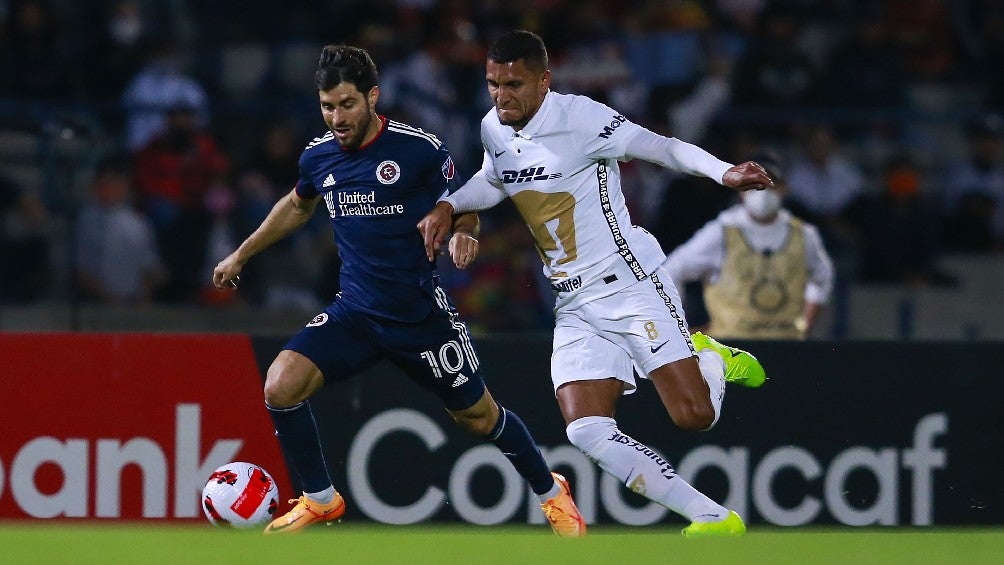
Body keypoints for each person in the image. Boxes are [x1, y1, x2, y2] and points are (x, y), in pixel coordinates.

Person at [212, 44, 584, 536]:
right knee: (280, 386)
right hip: (356, 313)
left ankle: (550, 490)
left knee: (479, 417)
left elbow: (465, 199)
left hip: (419, 318)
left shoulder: (418, 149)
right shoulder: (319, 156)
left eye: (347, 104)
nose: (337, 117)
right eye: (327, 106)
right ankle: (321, 499)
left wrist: (464, 230)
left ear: (372, 97)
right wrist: (242, 253)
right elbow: (299, 206)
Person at [419, 30, 772, 537]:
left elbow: (661, 147)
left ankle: (711, 358)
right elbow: (494, 177)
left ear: (544, 80)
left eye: (513, 84)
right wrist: (452, 206)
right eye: (494, 84)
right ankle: (712, 518)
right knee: (585, 429)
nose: (502, 96)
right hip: (573, 300)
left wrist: (724, 174)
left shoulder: (581, 119)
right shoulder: (494, 126)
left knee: (694, 417)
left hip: (629, 284)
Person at [663, 153, 835, 339]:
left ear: (784, 188)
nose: (761, 190)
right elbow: (672, 271)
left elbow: (823, 277)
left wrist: (805, 325)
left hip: (787, 345)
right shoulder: (722, 231)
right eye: (753, 183)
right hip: (733, 348)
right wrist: (678, 328)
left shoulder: (803, 235)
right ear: (740, 190)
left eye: (769, 182)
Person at [75, 155, 165, 304]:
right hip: (94, 304)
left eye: (115, 183)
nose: (110, 189)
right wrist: (107, 297)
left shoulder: (138, 223)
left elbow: (150, 267)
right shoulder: (85, 221)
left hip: (133, 303)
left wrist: (143, 296)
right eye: (105, 183)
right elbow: (79, 270)